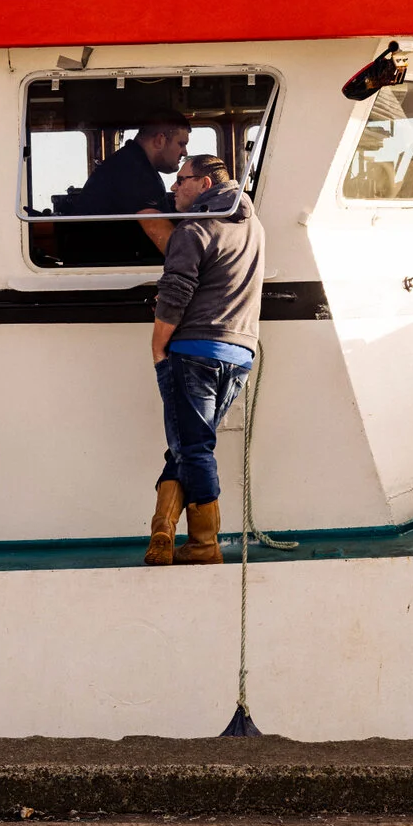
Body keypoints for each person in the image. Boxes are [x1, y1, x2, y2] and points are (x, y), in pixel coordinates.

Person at [143, 154, 265, 566]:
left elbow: (175, 290)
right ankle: (163, 529)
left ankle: (203, 543)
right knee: (185, 443)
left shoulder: (194, 229)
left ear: (206, 185)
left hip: (193, 352)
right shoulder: (253, 226)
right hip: (239, 354)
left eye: (182, 181)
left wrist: (159, 345)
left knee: (193, 448)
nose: (174, 188)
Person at [66, 111, 190, 263]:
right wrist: (195, 263)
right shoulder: (134, 169)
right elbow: (155, 227)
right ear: (159, 140)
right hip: (107, 269)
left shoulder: (131, 162)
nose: (185, 152)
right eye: (181, 144)